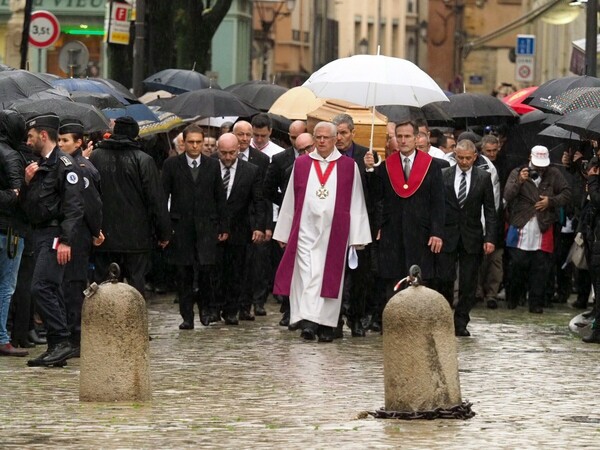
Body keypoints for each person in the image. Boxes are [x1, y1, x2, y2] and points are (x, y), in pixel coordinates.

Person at [273, 121, 371, 342]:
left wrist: (357, 237)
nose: (322, 141)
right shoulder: (302, 164)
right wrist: (284, 232)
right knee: (307, 277)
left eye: (327, 137)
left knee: (329, 279)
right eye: (318, 137)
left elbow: (357, 201)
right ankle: (309, 322)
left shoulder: (348, 166)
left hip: (334, 234)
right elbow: (290, 199)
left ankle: (326, 326)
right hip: (306, 232)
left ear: (336, 139)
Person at [364, 120, 445, 329]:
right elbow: (375, 198)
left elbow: (438, 202)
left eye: (407, 136)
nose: (403, 140)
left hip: (421, 233)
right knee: (392, 279)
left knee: (419, 278)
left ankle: (418, 324)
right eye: (399, 136)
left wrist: (437, 232)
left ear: (417, 138)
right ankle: (392, 323)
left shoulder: (432, 166)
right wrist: (370, 170)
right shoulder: (385, 167)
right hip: (393, 233)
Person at [20, 113, 84, 367]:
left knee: (41, 287)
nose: (28, 141)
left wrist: (66, 240)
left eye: (31, 136)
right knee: (51, 288)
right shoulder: (40, 164)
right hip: (39, 233)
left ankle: (62, 340)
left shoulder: (65, 165)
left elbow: (74, 207)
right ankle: (57, 346)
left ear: (43, 135)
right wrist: (26, 182)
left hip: (56, 235)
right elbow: (29, 204)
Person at [90, 116, 171, 296]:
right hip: (136, 237)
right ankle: (134, 322)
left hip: (104, 235)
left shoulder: (95, 156)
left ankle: (103, 322)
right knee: (135, 288)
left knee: (102, 287)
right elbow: (156, 199)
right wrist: (163, 233)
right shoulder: (143, 160)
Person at [162, 124, 229, 329]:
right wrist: (164, 227)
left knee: (207, 273)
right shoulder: (172, 165)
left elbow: (219, 197)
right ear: (183, 142)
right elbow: (163, 195)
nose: (195, 146)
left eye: (198, 142)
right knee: (184, 274)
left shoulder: (212, 165)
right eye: (191, 142)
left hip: (206, 227)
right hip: (181, 227)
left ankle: (206, 311)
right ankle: (186, 316)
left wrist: (223, 226)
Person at [438, 139, 496, 336]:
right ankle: (444, 318)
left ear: (475, 157)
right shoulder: (444, 175)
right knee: (444, 278)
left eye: (468, 158)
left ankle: (461, 321)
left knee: (468, 282)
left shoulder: (483, 177)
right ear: (455, 156)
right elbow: (436, 207)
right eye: (460, 158)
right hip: (447, 234)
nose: (464, 162)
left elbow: (490, 210)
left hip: (472, 235)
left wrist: (490, 238)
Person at [504, 145, 571, 313]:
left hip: (543, 224)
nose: (540, 169)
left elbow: (567, 193)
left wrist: (551, 201)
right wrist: (519, 181)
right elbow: (507, 195)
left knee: (540, 267)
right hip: (520, 223)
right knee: (516, 264)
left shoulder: (554, 173)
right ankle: (513, 297)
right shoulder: (517, 172)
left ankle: (536, 302)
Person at [57, 119, 104, 356]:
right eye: (59, 140)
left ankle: (75, 337)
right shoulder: (64, 164)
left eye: (66, 140)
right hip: (68, 232)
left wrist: (96, 231)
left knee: (74, 285)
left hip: (79, 235)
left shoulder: (82, 168)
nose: (61, 144)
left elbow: (91, 205)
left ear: (78, 143)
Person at [331, 113, 378, 337]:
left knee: (360, 275)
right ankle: (335, 318)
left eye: (343, 133)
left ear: (352, 132)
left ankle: (357, 318)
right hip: (333, 224)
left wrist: (370, 170)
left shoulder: (366, 155)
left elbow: (376, 193)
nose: (339, 138)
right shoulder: (326, 156)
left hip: (360, 224)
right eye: (336, 133)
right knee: (335, 274)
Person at [263, 132, 314, 326]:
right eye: (301, 150)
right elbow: (268, 190)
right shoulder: (288, 167)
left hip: (316, 225)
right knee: (291, 268)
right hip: (294, 221)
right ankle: (290, 309)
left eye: (309, 148)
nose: (306, 152)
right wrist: (286, 206)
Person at [215, 133, 265, 325]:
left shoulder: (251, 171)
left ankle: (232, 310)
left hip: (240, 229)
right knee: (215, 271)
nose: (227, 158)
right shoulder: (211, 165)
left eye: (231, 153)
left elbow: (258, 201)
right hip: (214, 228)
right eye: (223, 153)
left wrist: (259, 226)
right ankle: (214, 307)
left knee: (236, 272)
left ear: (238, 150)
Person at [233, 120, 271, 319]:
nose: (246, 139)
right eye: (241, 134)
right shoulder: (219, 157)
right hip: (230, 221)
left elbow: (264, 196)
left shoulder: (261, 160)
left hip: (252, 221)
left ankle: (247, 305)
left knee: (252, 266)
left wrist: (263, 225)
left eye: (249, 135)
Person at [0, 110, 28, 357]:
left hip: (6, 230)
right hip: (8, 232)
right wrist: (24, 186)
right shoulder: (11, 156)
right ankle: (1, 338)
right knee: (7, 286)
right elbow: (17, 196)